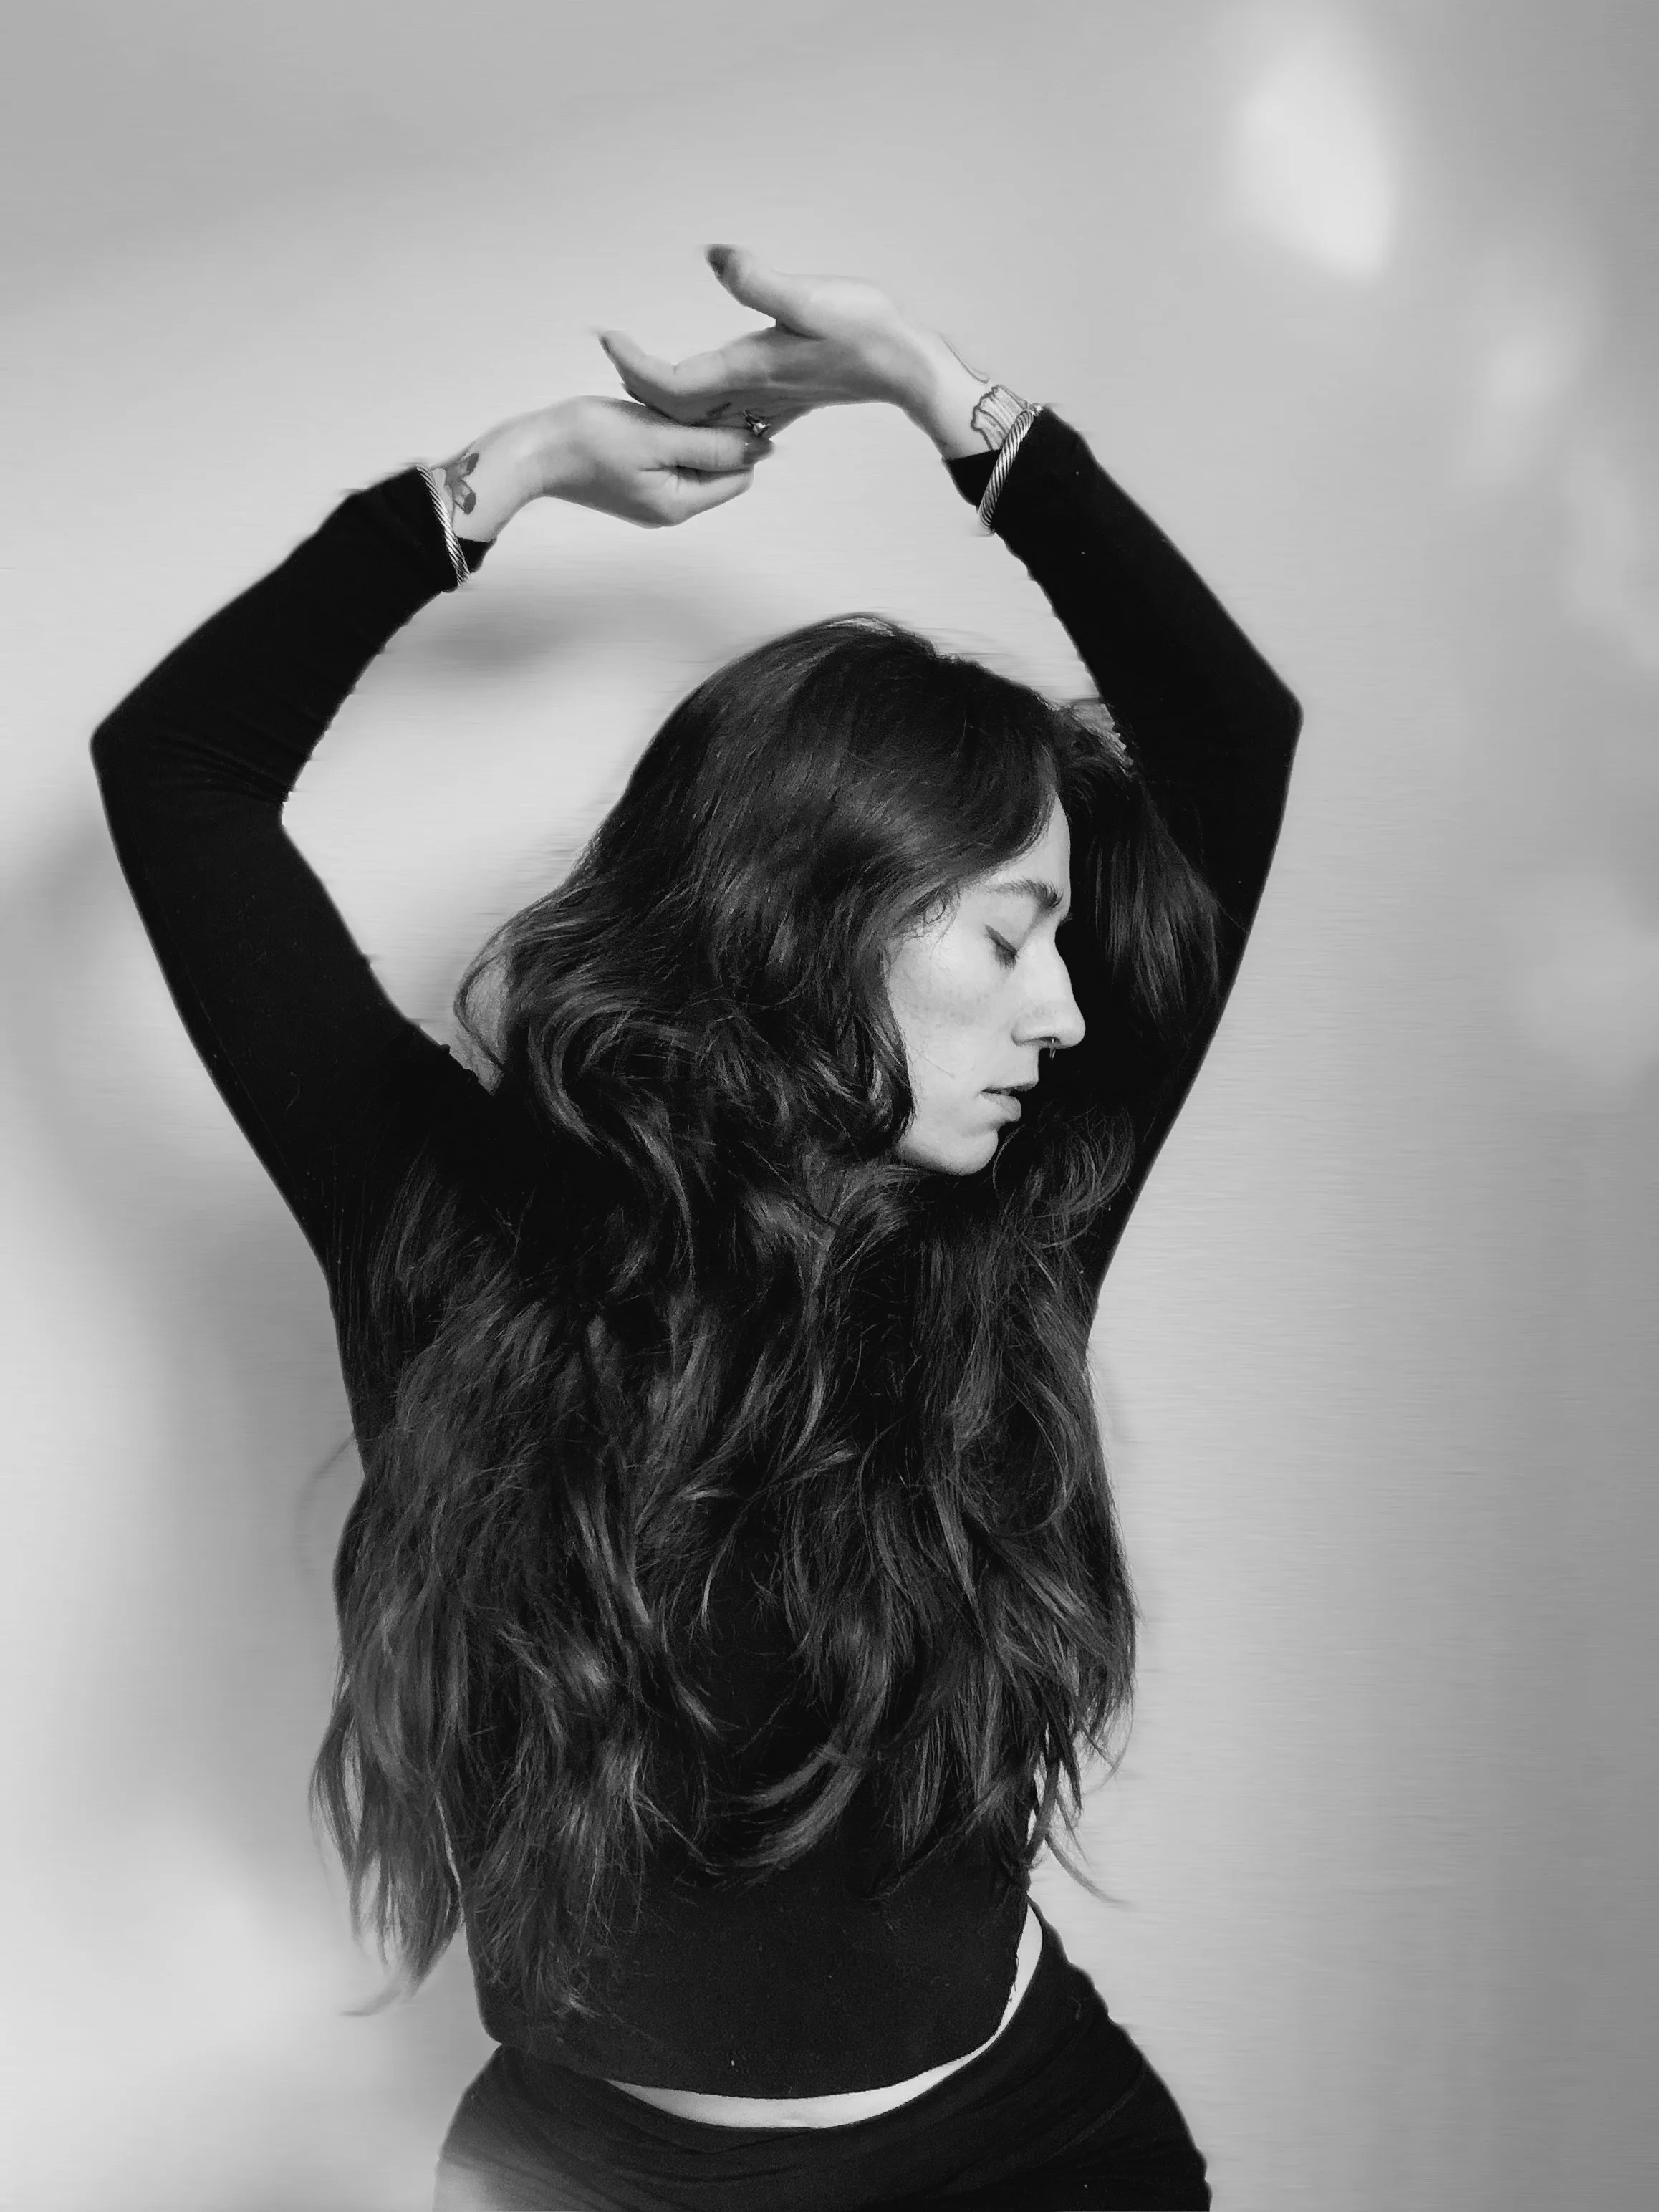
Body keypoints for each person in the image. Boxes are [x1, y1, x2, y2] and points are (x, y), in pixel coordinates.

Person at [90, 247, 1302, 2211]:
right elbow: (181, 772)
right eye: (1009, 932)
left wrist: (943, 400)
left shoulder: (1009, 1235)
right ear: (821, 915)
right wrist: (515, 472)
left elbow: (1227, 750)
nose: (1067, 1011)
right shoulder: (445, 1222)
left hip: (1033, 2155)